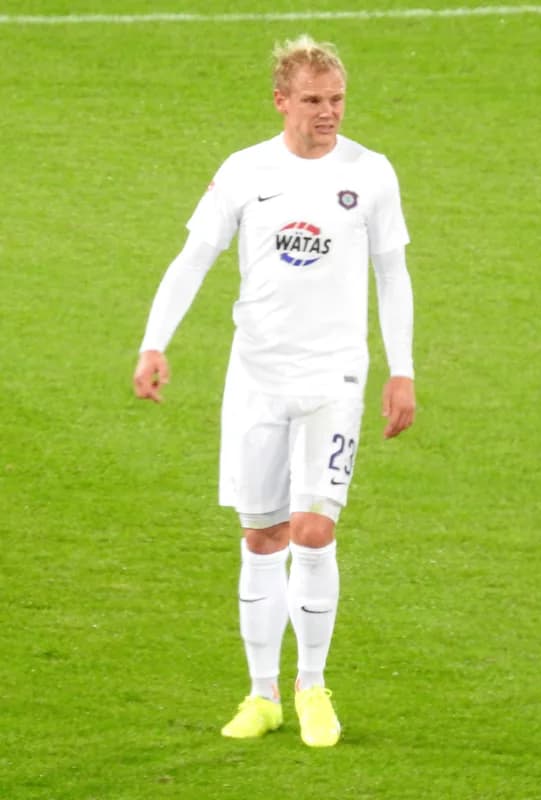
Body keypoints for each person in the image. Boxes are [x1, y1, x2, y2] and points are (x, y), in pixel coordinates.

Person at [133, 34, 415, 748]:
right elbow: (193, 258)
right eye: (314, 99)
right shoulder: (245, 171)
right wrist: (154, 342)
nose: (329, 112)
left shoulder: (371, 174)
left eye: (337, 99)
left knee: (314, 530)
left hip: (334, 377)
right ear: (281, 100)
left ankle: (312, 687)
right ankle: (261, 696)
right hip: (256, 378)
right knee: (262, 537)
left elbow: (392, 273)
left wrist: (402, 368)